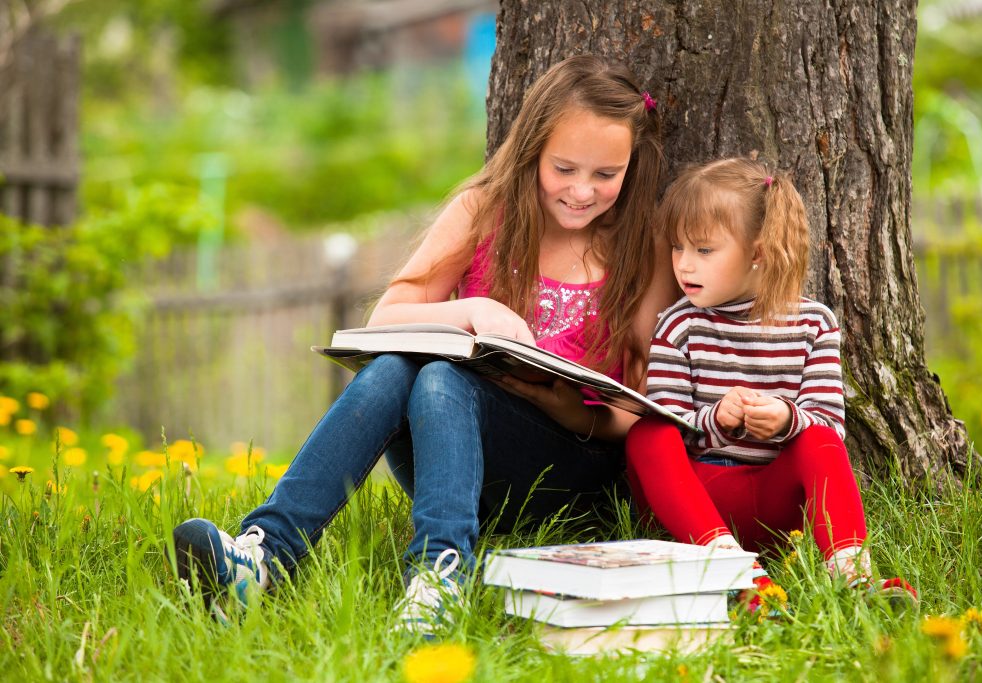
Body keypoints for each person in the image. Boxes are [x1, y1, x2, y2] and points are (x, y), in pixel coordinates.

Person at [173, 55, 677, 635]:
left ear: (631, 167)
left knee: (441, 378)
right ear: (532, 150)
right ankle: (265, 555)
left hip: (568, 470)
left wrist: (554, 400)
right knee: (396, 368)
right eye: (564, 167)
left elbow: (637, 413)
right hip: (453, 454)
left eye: (606, 175)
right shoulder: (485, 209)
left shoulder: (643, 247)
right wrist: (471, 309)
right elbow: (388, 316)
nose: (582, 191)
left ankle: (440, 577)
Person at [625, 157, 917, 611]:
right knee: (647, 432)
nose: (684, 265)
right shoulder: (678, 325)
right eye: (678, 248)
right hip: (695, 501)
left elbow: (829, 428)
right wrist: (717, 420)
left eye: (704, 250)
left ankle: (853, 577)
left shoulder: (813, 325)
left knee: (817, 439)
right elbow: (671, 418)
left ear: (757, 253)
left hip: (770, 501)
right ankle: (734, 575)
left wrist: (785, 419)